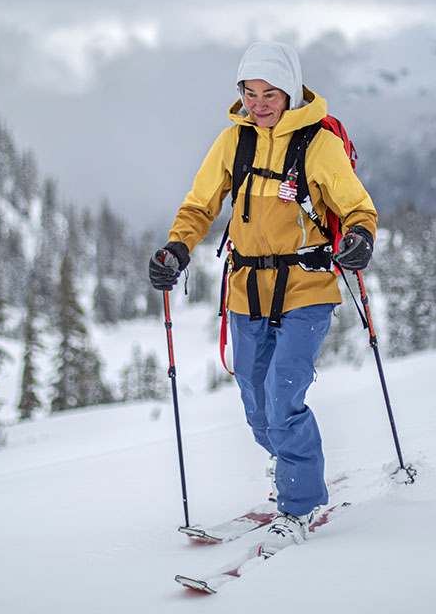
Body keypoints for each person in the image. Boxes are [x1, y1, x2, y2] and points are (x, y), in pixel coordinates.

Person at [148, 40, 377, 556]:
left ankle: (299, 505)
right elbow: (199, 204)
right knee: (256, 404)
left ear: (290, 91)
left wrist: (359, 237)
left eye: (269, 93)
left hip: (306, 286)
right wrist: (177, 249)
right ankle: (289, 462)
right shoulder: (234, 142)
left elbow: (357, 206)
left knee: (283, 395)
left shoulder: (318, 144)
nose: (258, 104)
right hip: (246, 288)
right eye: (249, 93)